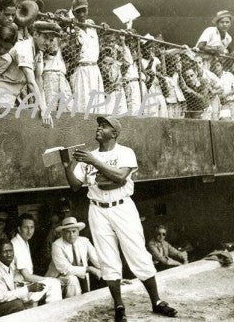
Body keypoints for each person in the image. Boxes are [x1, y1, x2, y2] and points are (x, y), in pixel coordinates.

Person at [62, 115, 178, 321]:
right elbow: (74, 186)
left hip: (122, 207)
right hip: (97, 209)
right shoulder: (89, 156)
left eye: (104, 126)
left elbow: (120, 177)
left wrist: (94, 161)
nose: (99, 128)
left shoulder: (124, 152)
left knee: (137, 253)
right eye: (98, 125)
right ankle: (119, 306)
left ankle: (157, 301)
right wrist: (66, 164)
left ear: (114, 133)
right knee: (107, 258)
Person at [0, 20, 55, 128]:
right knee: (1, 129)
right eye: (45, 37)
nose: (48, 42)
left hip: (13, 95)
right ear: (35, 34)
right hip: (0, 91)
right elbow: (31, 82)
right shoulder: (24, 48)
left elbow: (38, 80)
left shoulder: (39, 52)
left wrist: (44, 108)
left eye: (51, 40)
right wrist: (43, 109)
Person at [0, 238, 45, 320]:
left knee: (30, 300)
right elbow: (1, 297)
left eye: (11, 251)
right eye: (5, 251)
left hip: (0, 303)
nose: (9, 254)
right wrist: (28, 289)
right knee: (18, 305)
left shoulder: (7, 264)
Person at [11, 213, 62, 305]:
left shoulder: (24, 242)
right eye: (26, 227)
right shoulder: (16, 244)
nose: (29, 231)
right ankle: (54, 312)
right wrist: (48, 279)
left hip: (24, 284)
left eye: (32, 227)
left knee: (52, 282)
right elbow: (26, 276)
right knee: (54, 283)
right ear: (19, 229)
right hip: (17, 287)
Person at [45, 216, 101, 298]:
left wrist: (114, 277)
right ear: (62, 233)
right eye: (68, 232)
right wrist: (88, 269)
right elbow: (65, 269)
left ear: (78, 231)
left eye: (74, 231)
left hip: (80, 279)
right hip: (58, 278)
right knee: (72, 279)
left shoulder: (84, 241)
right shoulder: (57, 245)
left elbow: (97, 261)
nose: (71, 235)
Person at [69, 0, 105, 114]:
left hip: (95, 69)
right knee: (83, 104)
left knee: (98, 104)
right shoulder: (72, 29)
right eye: (78, 11)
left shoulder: (93, 27)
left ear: (87, 10)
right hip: (82, 69)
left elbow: (103, 35)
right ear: (74, 13)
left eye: (84, 10)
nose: (81, 14)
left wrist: (104, 27)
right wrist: (72, 29)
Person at [194, 55, 223, 120]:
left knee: (214, 119)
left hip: (213, 99)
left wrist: (212, 92)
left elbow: (221, 88)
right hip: (201, 101)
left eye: (199, 62)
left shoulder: (209, 74)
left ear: (202, 63)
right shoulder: (193, 74)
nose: (197, 65)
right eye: (195, 63)